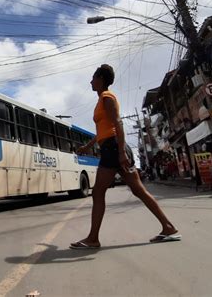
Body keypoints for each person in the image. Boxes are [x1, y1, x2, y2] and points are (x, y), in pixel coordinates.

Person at [70, 64, 180, 249]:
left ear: (101, 79)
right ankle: (168, 227)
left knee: (97, 193)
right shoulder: (101, 100)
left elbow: (118, 123)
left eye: (93, 78)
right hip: (112, 146)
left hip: (114, 148)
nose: (91, 81)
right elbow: (104, 130)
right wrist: (88, 146)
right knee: (138, 190)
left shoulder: (106, 98)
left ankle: (93, 238)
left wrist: (121, 152)